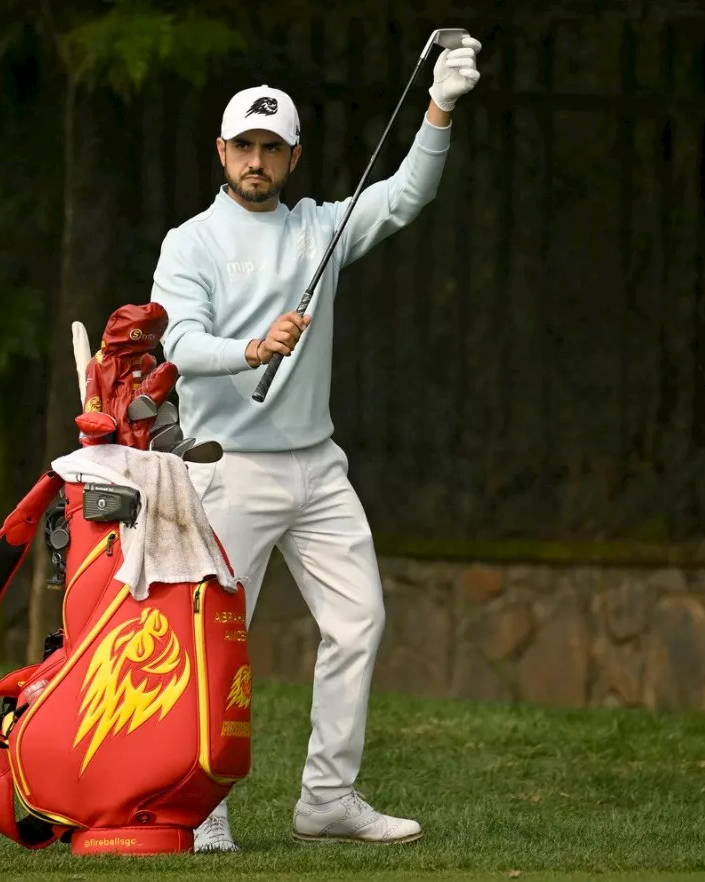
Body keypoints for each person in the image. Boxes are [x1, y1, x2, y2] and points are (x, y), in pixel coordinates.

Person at [147, 36, 482, 851]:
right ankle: (201, 808)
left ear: (293, 158)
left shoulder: (319, 231)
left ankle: (327, 800)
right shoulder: (189, 242)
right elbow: (179, 345)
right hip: (226, 470)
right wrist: (253, 349)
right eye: (244, 146)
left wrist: (437, 107)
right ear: (221, 151)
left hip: (317, 467)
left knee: (359, 620)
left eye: (272, 148)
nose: (256, 160)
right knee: (214, 646)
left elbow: (404, 196)